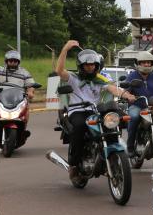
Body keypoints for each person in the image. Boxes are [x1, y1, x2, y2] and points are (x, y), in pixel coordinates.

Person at [55, 40, 136, 183]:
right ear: (81, 66)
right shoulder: (72, 78)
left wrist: (126, 95)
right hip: (78, 110)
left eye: (92, 64)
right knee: (79, 127)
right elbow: (59, 71)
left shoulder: (100, 79)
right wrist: (65, 49)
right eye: (87, 65)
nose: (90, 67)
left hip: (95, 110)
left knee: (113, 122)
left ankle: (111, 153)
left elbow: (112, 89)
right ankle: (74, 165)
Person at [0, 50, 35, 122]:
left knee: (26, 107)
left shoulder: (25, 72)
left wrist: (30, 92)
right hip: (0, 97)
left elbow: (30, 84)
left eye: (15, 61)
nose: (13, 63)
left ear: (18, 62)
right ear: (6, 61)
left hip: (19, 98)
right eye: (11, 61)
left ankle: (24, 129)